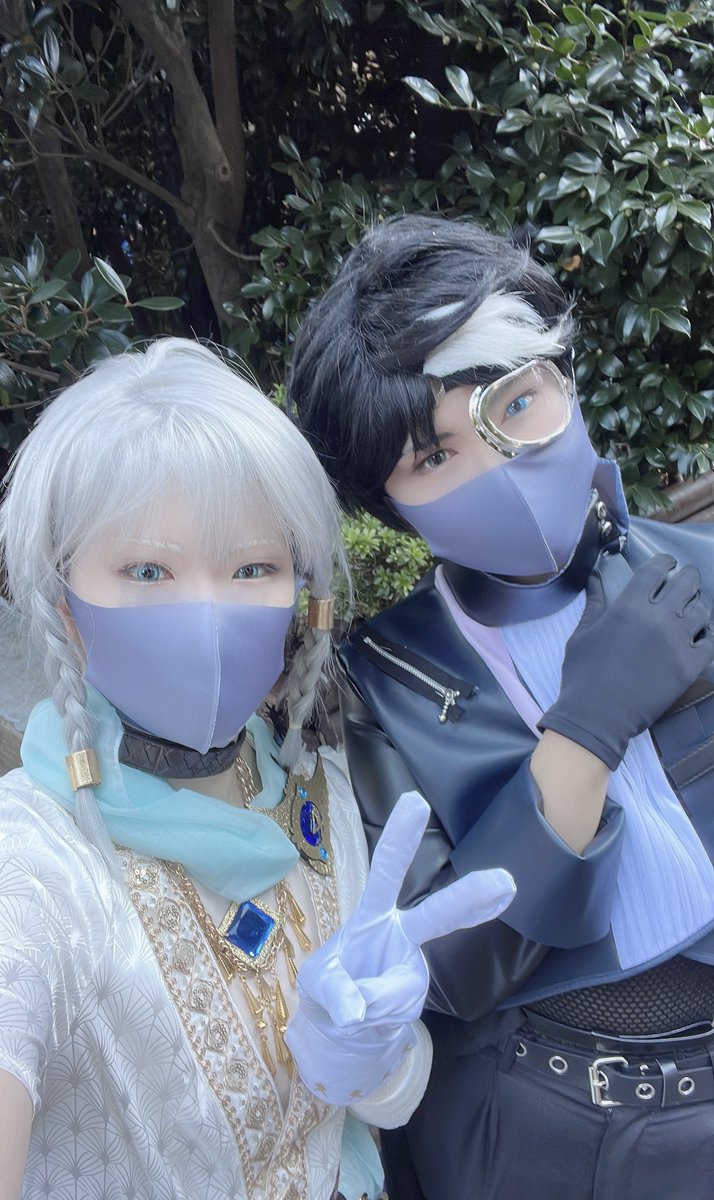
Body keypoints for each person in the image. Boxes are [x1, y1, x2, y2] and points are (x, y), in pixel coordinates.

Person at [0, 338, 515, 1200]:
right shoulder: (33, 860)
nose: (206, 610)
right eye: (147, 569)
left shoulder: (317, 787)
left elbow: (380, 1109)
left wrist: (375, 1055)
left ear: (300, 597)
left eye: (252, 567)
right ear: (66, 606)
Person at [288, 214, 714, 1200]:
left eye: (517, 403)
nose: (499, 466)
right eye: (433, 458)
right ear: (387, 502)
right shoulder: (378, 678)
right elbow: (451, 963)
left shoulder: (698, 574)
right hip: (534, 1124)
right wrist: (588, 727)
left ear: (564, 375)